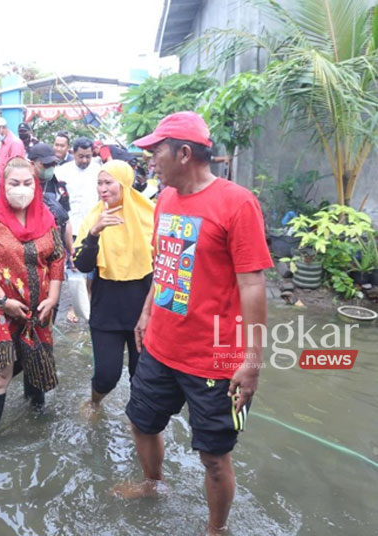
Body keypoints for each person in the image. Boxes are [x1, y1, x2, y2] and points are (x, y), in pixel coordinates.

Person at [116, 112, 272, 536]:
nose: (150, 161)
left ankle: (215, 529)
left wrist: (251, 360)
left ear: (184, 154)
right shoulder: (164, 199)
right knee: (141, 421)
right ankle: (153, 483)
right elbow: (165, 264)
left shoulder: (237, 203)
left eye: (156, 152)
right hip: (162, 347)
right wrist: (147, 311)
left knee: (214, 457)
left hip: (216, 360)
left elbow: (253, 286)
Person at [0, 156, 65, 441]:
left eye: (27, 183)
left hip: (40, 306)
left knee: (36, 361)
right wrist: (2, 302)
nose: (21, 188)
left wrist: (54, 297)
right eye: (14, 183)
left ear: (35, 185)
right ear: (2, 185)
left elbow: (57, 258)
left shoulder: (46, 216)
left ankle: (37, 425)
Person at [72, 160, 154, 414]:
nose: (102, 189)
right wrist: (94, 233)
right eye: (99, 183)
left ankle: (138, 421)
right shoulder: (95, 217)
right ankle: (95, 402)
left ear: (125, 183)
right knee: (107, 375)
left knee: (140, 375)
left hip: (143, 309)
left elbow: (165, 263)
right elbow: (82, 264)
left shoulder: (151, 214)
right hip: (106, 308)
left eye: (109, 182)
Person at [0, 116, 26, 182]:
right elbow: (1, 165)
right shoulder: (3, 143)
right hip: (3, 181)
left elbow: (15, 168)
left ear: (3, 128)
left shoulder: (15, 143)